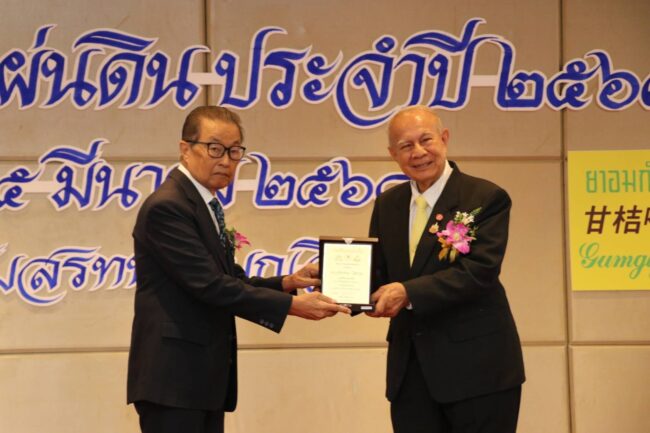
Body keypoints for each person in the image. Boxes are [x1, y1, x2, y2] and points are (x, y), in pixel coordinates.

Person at [127, 105, 350, 433]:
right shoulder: (168, 207)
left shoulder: (203, 204)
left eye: (234, 151)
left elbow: (230, 278)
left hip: (199, 380)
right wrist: (293, 305)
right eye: (214, 148)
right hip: (174, 380)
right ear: (185, 149)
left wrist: (289, 282)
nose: (226, 160)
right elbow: (210, 285)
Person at [367, 106, 525, 433]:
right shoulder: (388, 204)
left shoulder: (485, 197)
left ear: (444, 138)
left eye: (426, 140)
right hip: (411, 372)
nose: (418, 152)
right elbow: (379, 272)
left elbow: (479, 271)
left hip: (478, 370)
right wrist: (335, 276)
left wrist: (408, 292)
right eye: (406, 145)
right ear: (393, 154)